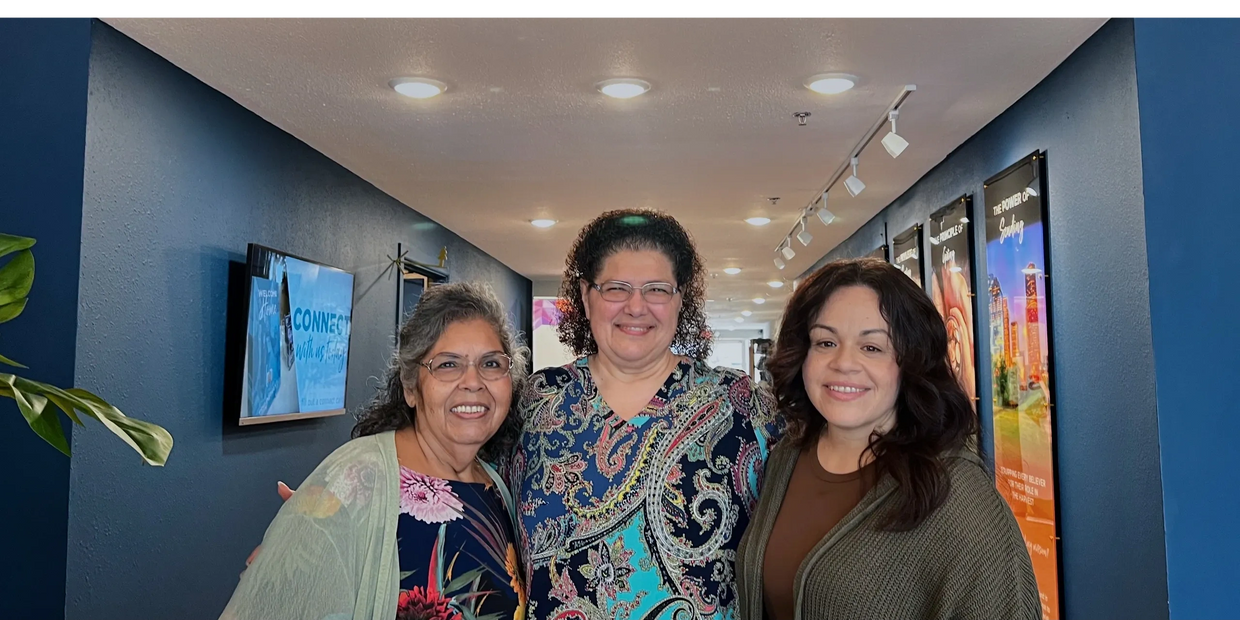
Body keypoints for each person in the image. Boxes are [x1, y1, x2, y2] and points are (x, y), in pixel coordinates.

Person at [507, 209, 781, 620]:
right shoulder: (535, 401)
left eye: (656, 289)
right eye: (616, 288)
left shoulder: (741, 405)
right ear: (585, 296)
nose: (636, 307)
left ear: (679, 299)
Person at [734, 258, 1041, 620]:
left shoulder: (956, 493)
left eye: (872, 348)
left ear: (909, 362)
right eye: (825, 342)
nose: (843, 363)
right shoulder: (786, 457)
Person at [223, 282, 529, 620]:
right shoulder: (357, 478)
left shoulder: (499, 489)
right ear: (411, 388)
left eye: (491, 364)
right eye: (447, 364)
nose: (473, 382)